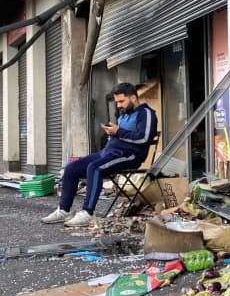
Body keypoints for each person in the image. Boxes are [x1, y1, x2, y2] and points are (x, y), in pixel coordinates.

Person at [42, 82, 158, 227]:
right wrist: (112, 133)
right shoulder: (124, 115)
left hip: (130, 155)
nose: (119, 105)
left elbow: (144, 137)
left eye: (122, 101)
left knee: (94, 168)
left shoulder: (146, 113)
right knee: (71, 168)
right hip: (108, 153)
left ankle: (88, 213)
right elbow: (122, 135)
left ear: (134, 98)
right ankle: (64, 211)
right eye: (117, 102)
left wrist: (118, 132)